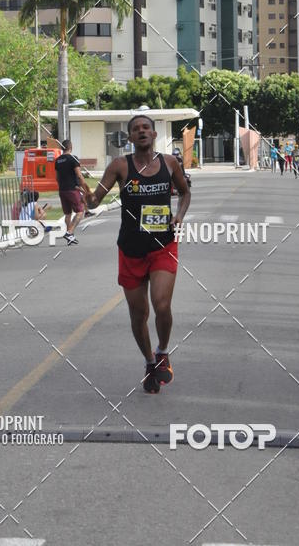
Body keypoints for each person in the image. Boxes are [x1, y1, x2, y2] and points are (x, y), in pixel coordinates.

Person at [86, 114, 190, 394]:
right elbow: (96, 199)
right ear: (129, 138)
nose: (142, 132)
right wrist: (88, 197)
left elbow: (184, 192)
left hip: (162, 246)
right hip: (130, 249)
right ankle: (149, 362)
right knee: (139, 314)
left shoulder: (169, 163)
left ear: (154, 134)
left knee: (162, 304)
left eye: (146, 128)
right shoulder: (120, 166)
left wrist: (178, 215)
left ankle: (163, 351)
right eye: (136, 129)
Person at [55, 139, 89, 245]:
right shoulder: (73, 158)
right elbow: (79, 175)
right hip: (72, 190)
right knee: (80, 212)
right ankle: (69, 232)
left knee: (68, 214)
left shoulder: (57, 160)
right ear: (71, 147)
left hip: (62, 190)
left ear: (62, 148)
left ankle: (70, 236)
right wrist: (86, 189)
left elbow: (57, 177)